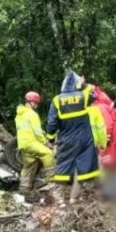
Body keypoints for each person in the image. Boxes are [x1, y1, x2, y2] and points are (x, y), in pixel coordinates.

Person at [46, 71, 100, 206]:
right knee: (82, 166)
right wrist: (84, 84)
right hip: (85, 139)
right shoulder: (83, 95)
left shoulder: (57, 100)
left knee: (62, 167)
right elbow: (95, 94)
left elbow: (52, 123)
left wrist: (51, 139)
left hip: (67, 138)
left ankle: (60, 200)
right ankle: (74, 198)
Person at [15, 91, 55, 193]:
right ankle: (52, 182)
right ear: (32, 102)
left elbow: (30, 129)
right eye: (36, 103)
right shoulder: (32, 114)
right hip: (31, 142)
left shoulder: (19, 115)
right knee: (48, 154)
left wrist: (42, 134)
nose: (36, 105)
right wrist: (45, 142)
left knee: (29, 165)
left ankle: (23, 189)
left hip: (22, 145)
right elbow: (37, 132)